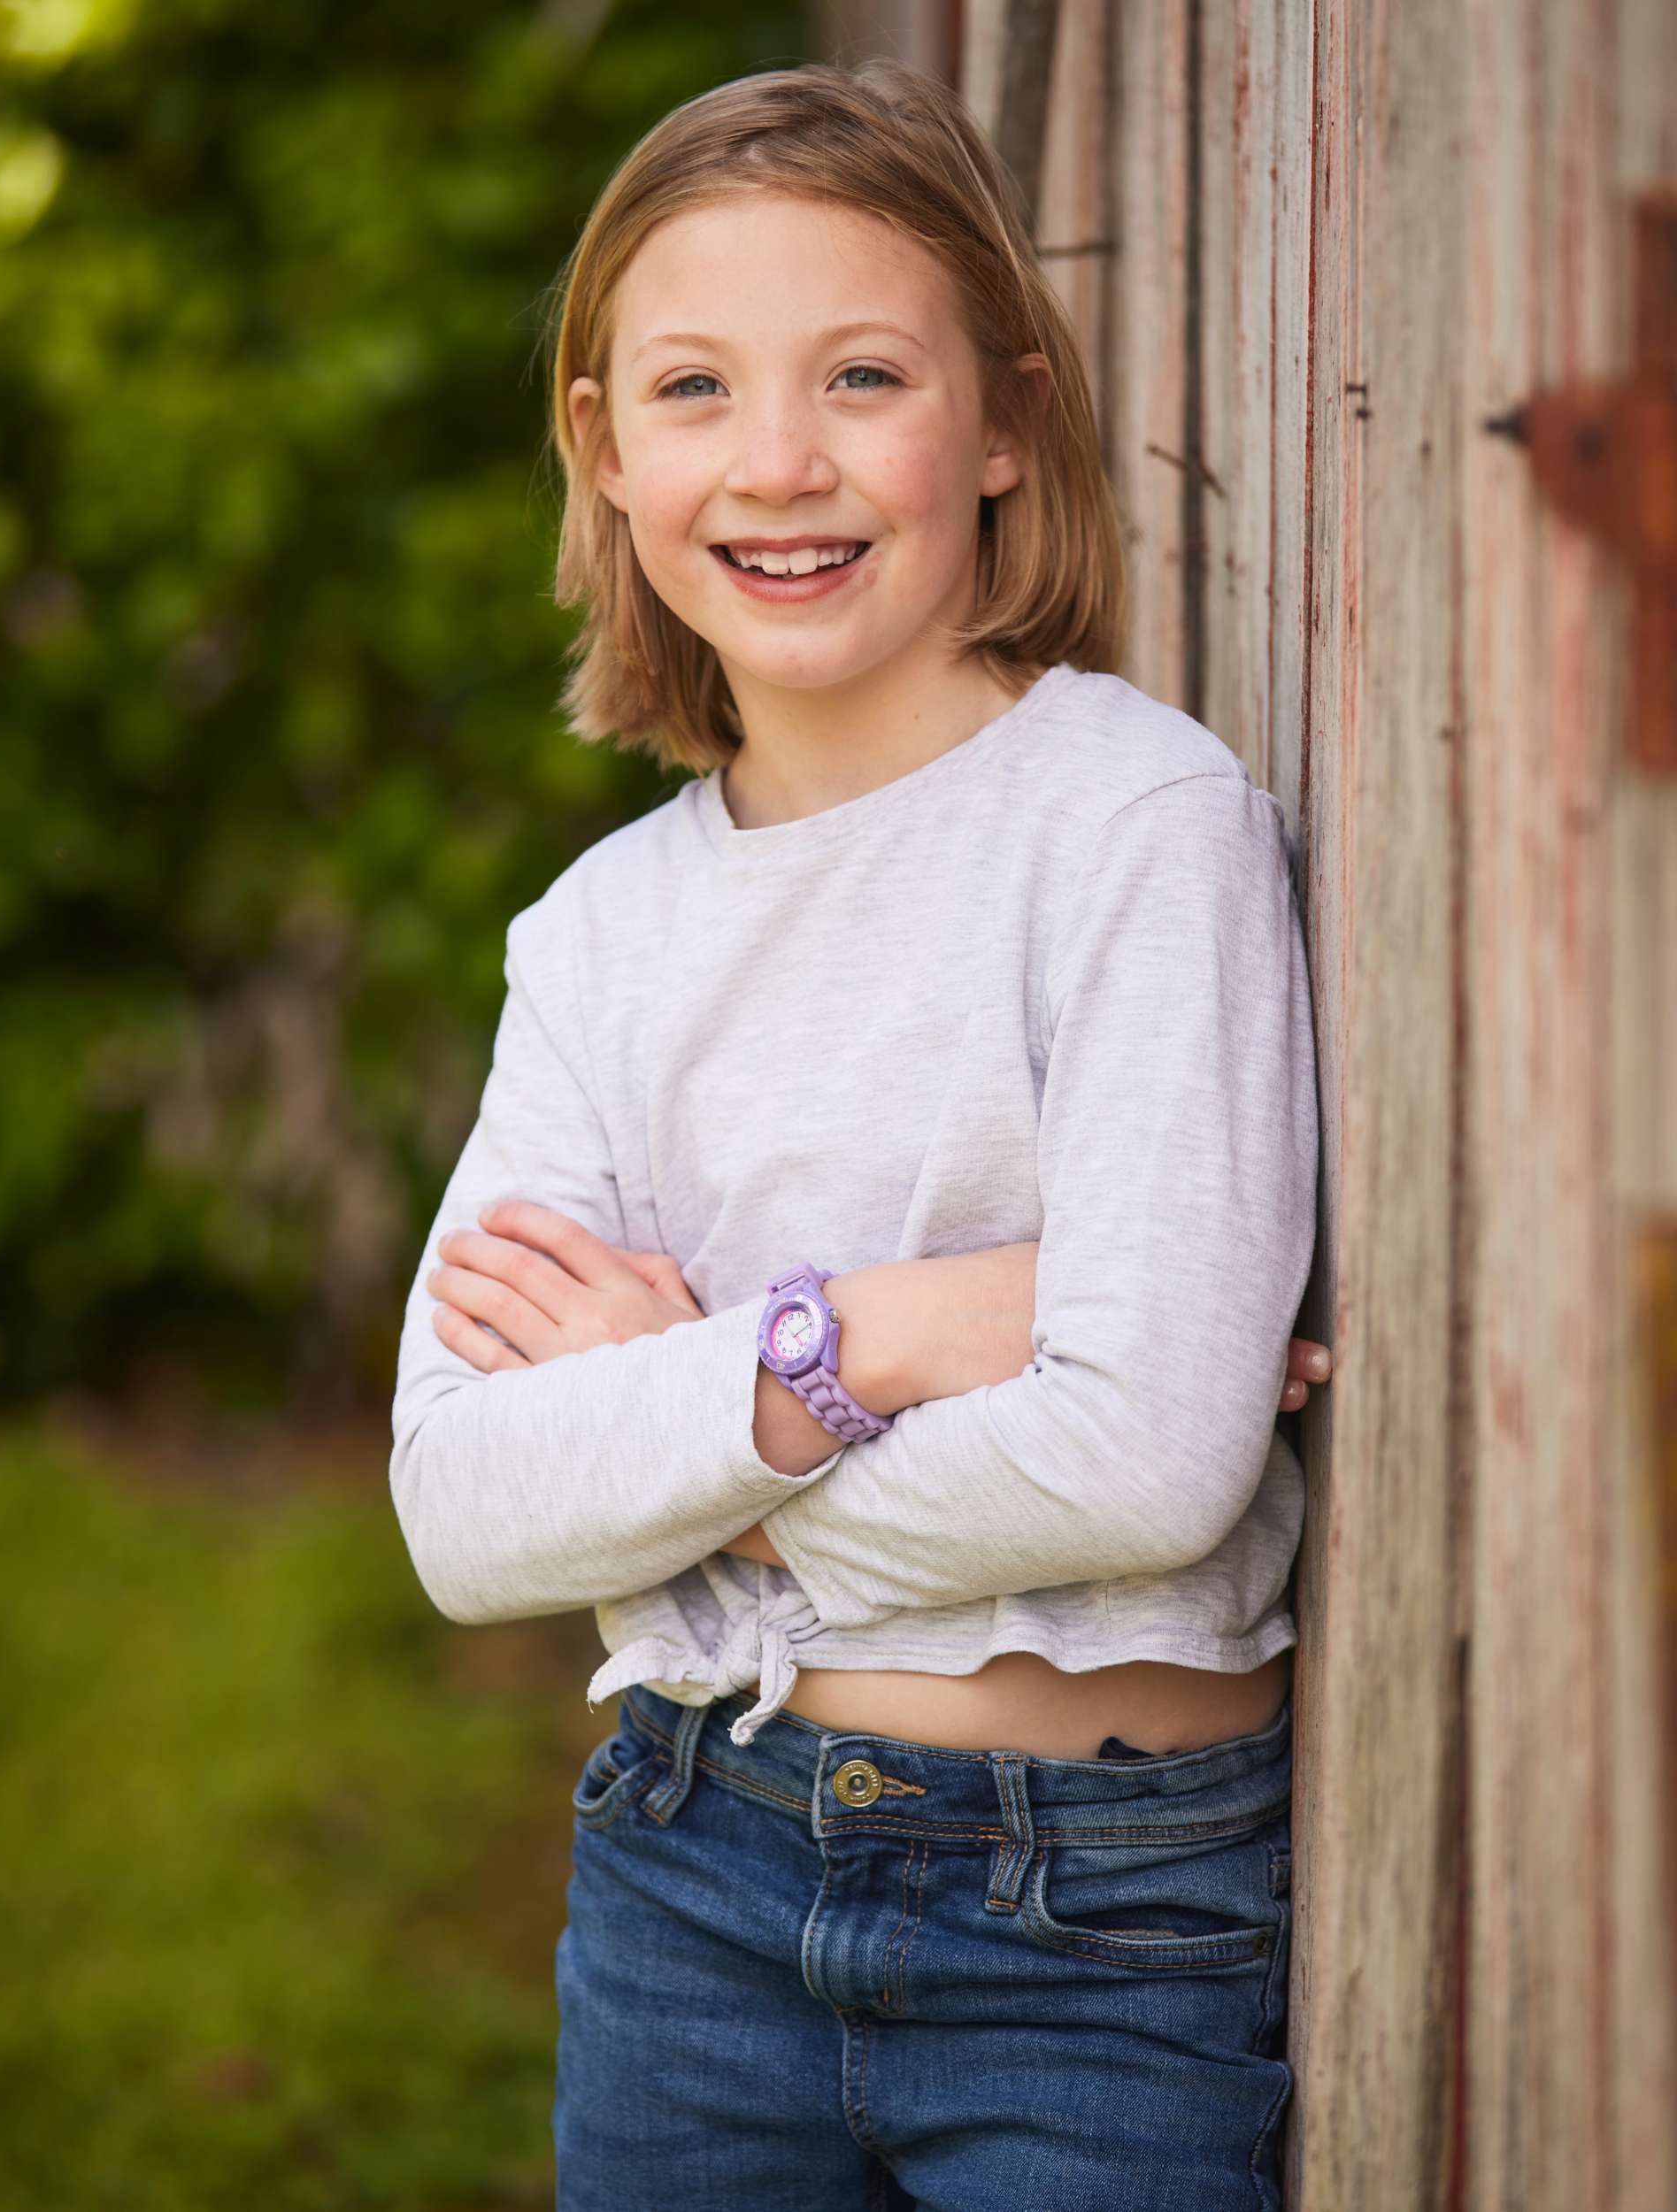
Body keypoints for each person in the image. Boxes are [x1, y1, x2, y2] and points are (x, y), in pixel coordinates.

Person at [388, 56, 1333, 2211]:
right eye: (697, 387)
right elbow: (460, 1507)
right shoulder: (604, 939)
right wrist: (884, 1334)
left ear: (1003, 420)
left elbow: (1152, 1454)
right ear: (604, 450)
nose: (781, 462)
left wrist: (683, 1439)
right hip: (689, 1885)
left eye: (864, 374)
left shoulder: (1134, 828)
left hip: (1097, 1931)